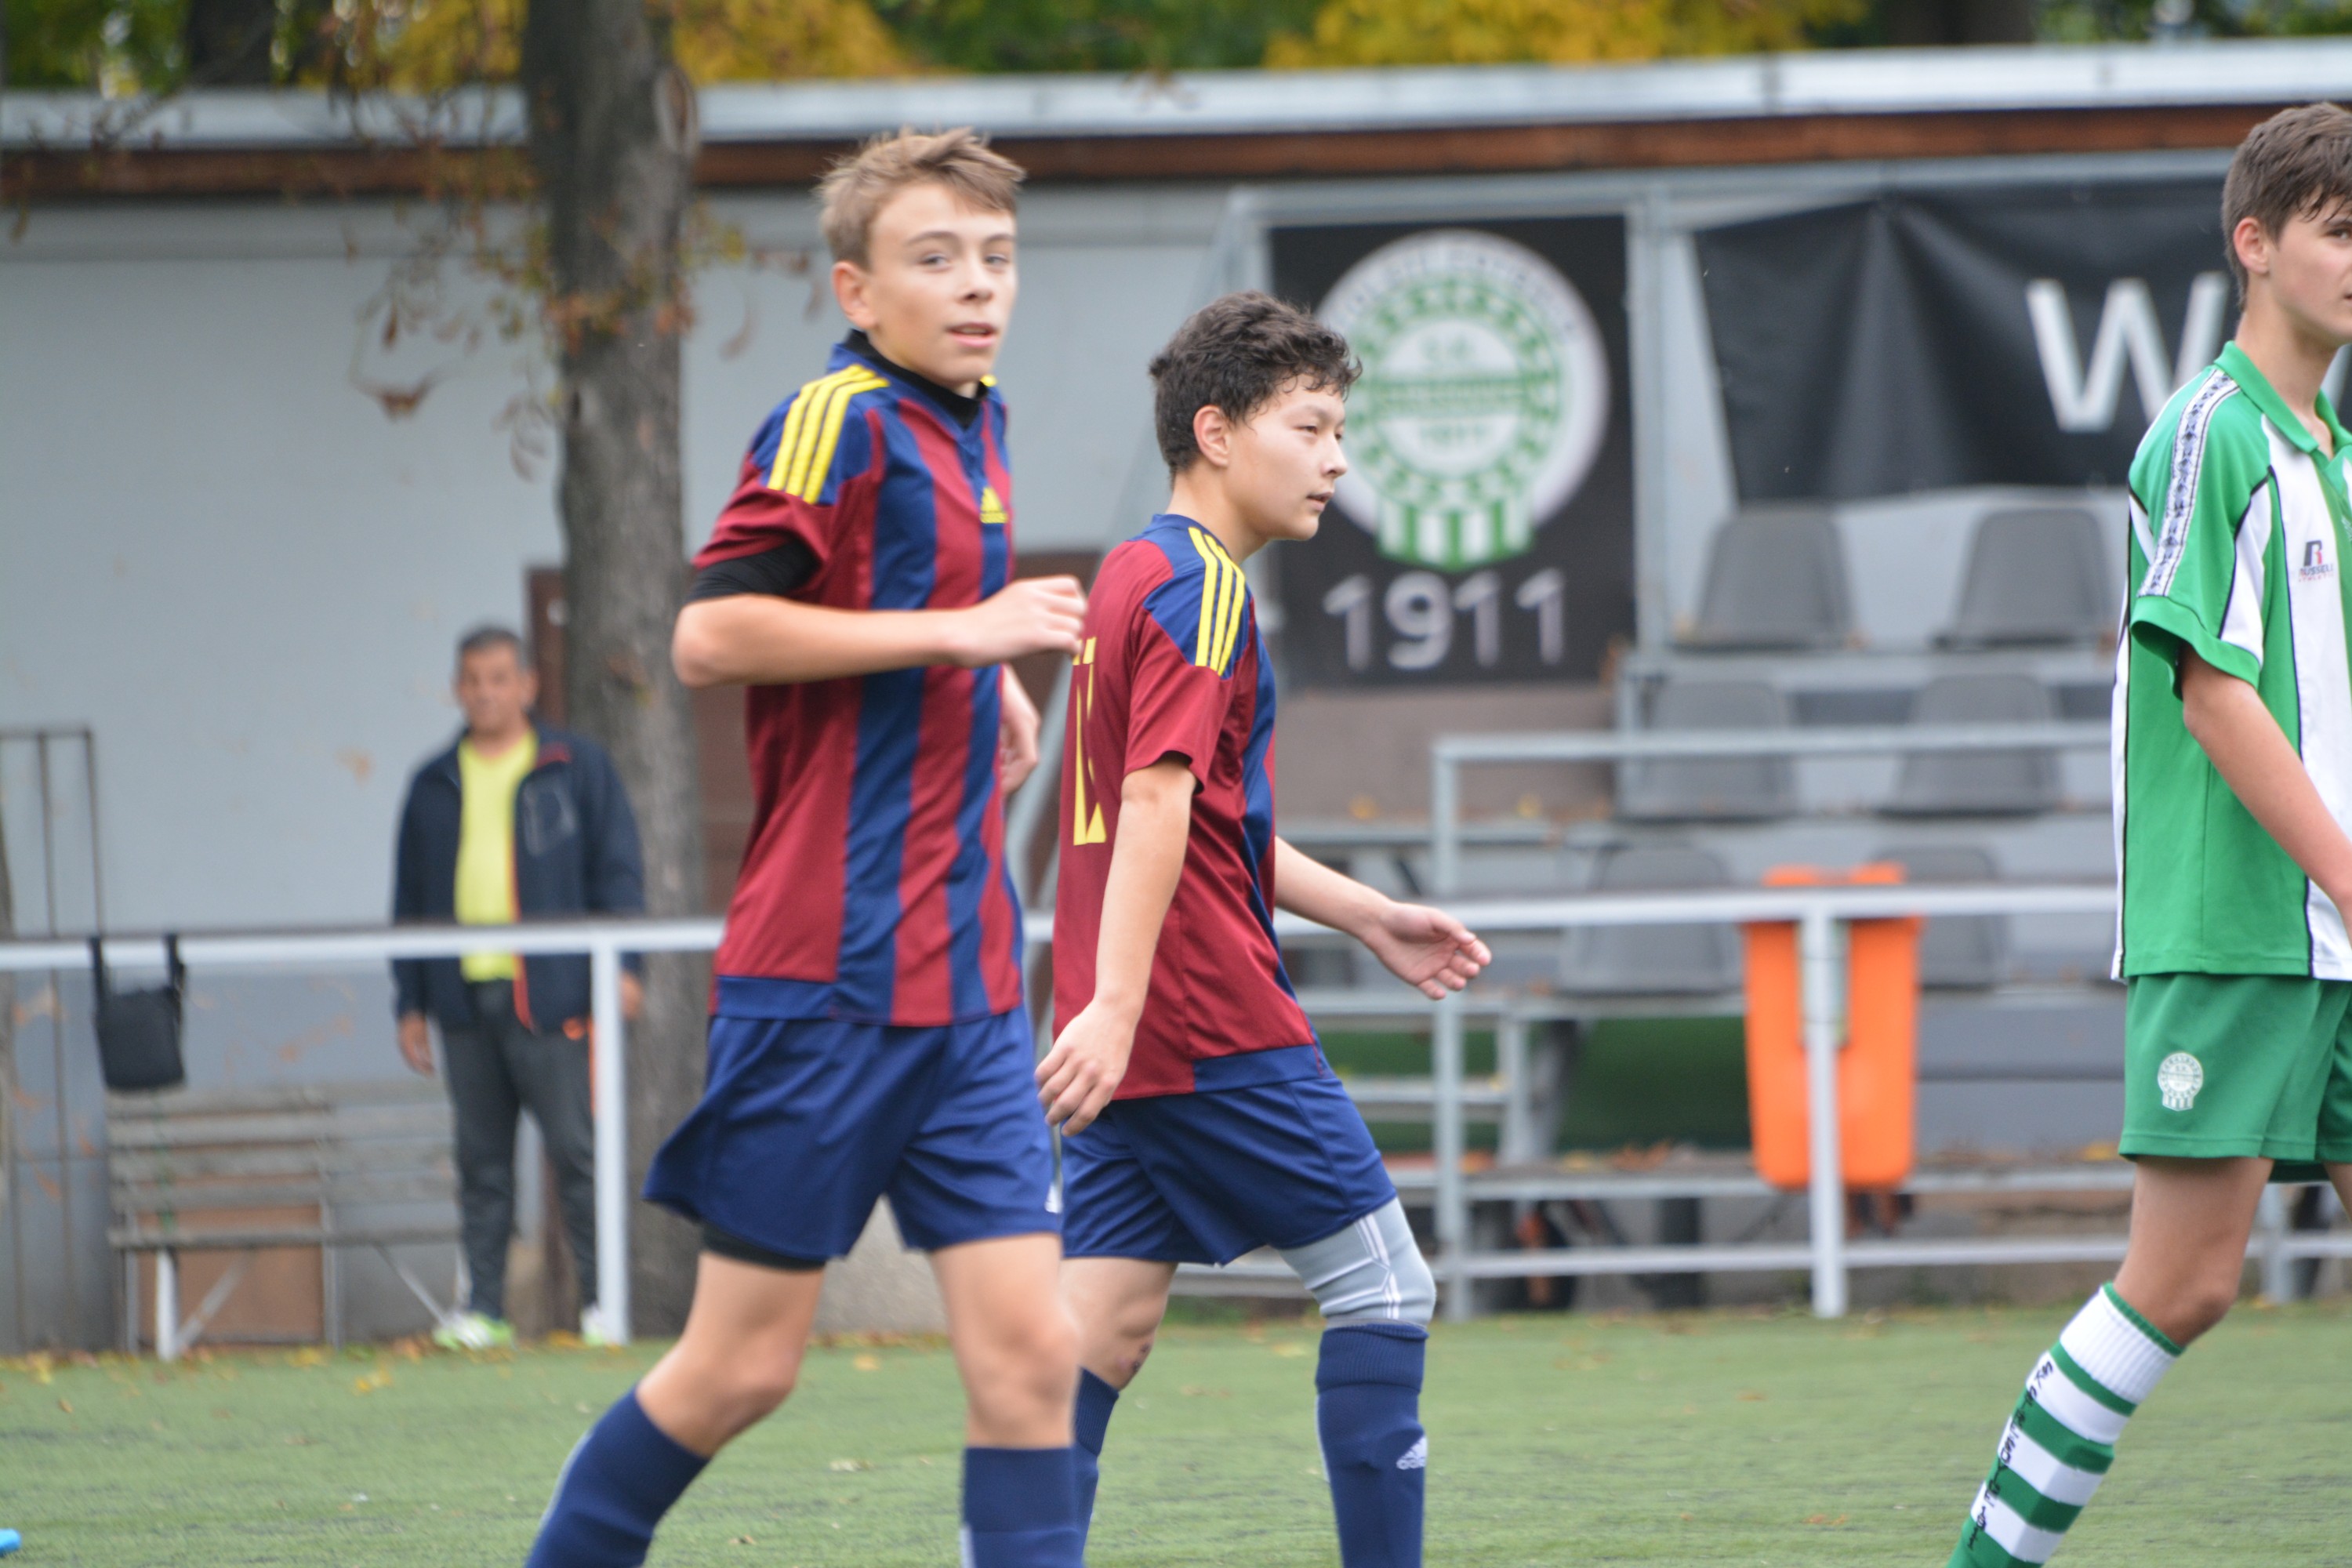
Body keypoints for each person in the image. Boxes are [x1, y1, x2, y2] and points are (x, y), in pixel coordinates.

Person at [521, 128, 1091, 1568]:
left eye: (997, 257)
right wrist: (964, 634)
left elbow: (902, 616)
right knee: (742, 1370)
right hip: (827, 985)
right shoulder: (833, 421)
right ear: (857, 290)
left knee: (1035, 1359)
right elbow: (709, 635)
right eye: (936, 259)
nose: (978, 285)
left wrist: (985, 683)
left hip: (968, 991)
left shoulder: (975, 421)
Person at [1944, 102, 2352, 1568]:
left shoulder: (2334, 453)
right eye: (2340, 231)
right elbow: (2211, 693)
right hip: (2238, 924)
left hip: (2334, 936)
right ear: (2257, 245)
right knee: (2183, 1284)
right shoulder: (2209, 432)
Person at [1039, 292, 1492, 1568]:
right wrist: (1123, 1006)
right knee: (1386, 1287)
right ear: (1217, 433)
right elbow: (1152, 804)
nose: (1336, 460)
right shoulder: (1206, 593)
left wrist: (1370, 914)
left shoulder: (1133, 573)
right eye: (1311, 427)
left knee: (1096, 1338)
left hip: (1132, 1031)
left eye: (1340, 431)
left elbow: (1204, 820)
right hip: (1203, 1021)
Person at [392, 626, 645, 1352]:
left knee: (577, 1153)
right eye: (473, 680)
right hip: (463, 1000)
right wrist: (411, 1002)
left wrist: (625, 967)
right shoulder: (433, 782)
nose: (486, 693)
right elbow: (408, 899)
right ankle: (483, 1310)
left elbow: (618, 871)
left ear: (528, 686)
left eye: (500, 678)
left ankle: (603, 1305)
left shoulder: (574, 766)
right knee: (481, 1163)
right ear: (456, 689)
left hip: (555, 994)